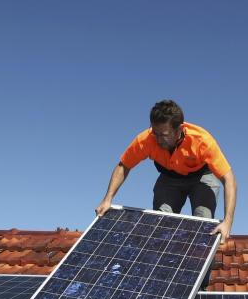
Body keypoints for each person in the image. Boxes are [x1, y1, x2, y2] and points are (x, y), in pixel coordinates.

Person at [95, 99, 236, 243]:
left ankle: (204, 262)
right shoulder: (146, 140)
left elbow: (228, 179)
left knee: (203, 221)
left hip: (201, 177)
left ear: (179, 130)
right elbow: (123, 165)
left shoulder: (202, 141)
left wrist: (228, 222)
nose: (158, 139)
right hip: (169, 179)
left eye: (164, 135)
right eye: (155, 133)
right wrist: (107, 199)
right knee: (161, 222)